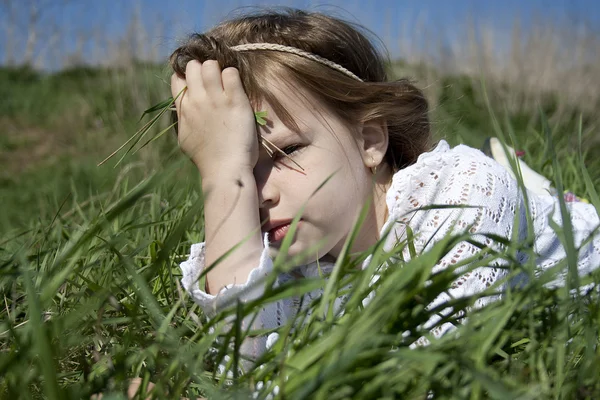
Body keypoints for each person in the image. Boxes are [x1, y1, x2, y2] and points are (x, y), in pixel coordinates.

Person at [171, 8, 600, 363]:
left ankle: (525, 181)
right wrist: (223, 174)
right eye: (244, 173)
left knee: (535, 199)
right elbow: (239, 368)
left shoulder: (462, 192)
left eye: (286, 152)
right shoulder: (293, 263)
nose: (260, 193)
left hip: (575, 242)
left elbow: (433, 368)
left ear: (369, 141)